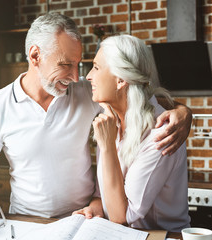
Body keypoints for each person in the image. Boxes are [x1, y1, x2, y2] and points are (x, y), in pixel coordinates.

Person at [0, 13, 192, 236]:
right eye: (66, 64)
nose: (76, 76)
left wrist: (182, 112)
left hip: (85, 219)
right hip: (27, 221)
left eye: (79, 64)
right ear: (35, 56)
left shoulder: (85, 93)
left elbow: (137, 94)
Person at [73, 34, 190, 232]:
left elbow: (122, 217)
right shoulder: (112, 120)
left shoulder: (161, 133)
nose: (89, 76)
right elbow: (105, 194)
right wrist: (94, 208)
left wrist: (107, 145)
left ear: (121, 80)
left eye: (96, 67)